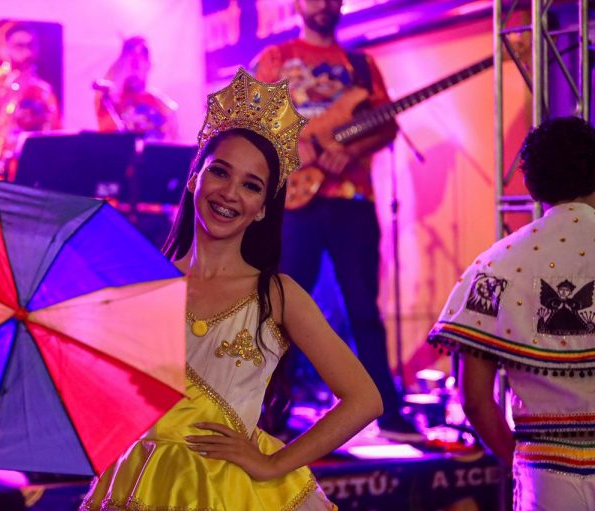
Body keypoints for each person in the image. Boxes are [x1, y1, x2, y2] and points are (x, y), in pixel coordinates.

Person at [80, 68, 382, 511]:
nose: (230, 193)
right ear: (194, 178)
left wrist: (274, 463)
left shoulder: (277, 295)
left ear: (262, 208)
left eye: (251, 185)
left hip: (237, 491)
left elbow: (364, 400)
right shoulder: (142, 286)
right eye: (219, 172)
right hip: (140, 482)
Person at [253, 0, 417, 440]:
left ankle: (387, 412)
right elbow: (253, 124)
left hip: (353, 201)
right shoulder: (275, 58)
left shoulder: (361, 65)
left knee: (364, 308)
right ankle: (271, 414)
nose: (323, 4)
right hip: (293, 202)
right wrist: (300, 147)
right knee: (282, 309)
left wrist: (353, 150)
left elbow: (387, 126)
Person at [428, 117, 595, 510]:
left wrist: (517, 460)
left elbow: (475, 399)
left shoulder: (494, 266)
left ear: (531, 184)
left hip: (546, 476)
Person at [0, 22, 61, 178]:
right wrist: (12, 92)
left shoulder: (42, 90)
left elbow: (53, 131)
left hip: (26, 168)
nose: (27, 52)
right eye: (19, 46)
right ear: (4, 47)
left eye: (30, 46)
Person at [94, 36, 178, 141]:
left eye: (140, 59)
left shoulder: (162, 105)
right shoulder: (111, 100)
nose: (134, 66)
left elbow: (172, 139)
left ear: (149, 65)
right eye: (130, 59)